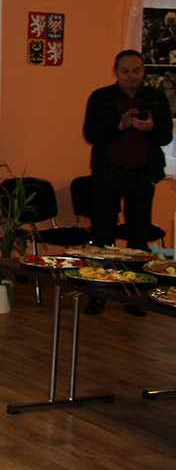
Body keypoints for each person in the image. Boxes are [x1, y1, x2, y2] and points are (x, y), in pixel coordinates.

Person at [82, 49, 172, 316]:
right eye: (125, 71)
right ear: (115, 71)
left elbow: (166, 136)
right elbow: (91, 134)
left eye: (136, 70)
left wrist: (151, 129)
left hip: (142, 175)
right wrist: (119, 127)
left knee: (138, 238)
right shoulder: (101, 97)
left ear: (143, 71)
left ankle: (134, 297)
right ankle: (97, 296)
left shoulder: (155, 98)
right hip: (108, 174)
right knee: (103, 237)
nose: (131, 76)